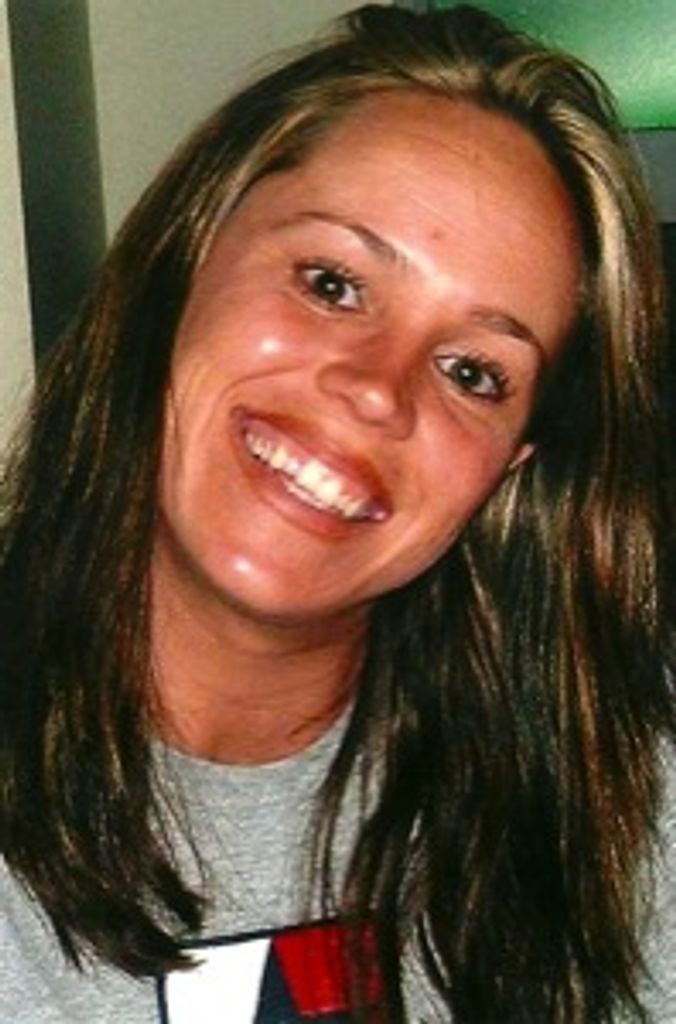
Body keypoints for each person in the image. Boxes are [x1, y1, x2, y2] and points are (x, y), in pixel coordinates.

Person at [1, 4, 674, 1021]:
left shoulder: (624, 790)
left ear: (509, 470)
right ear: (185, 256)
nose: (375, 390)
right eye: (331, 283)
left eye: (473, 371)